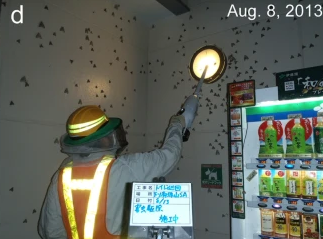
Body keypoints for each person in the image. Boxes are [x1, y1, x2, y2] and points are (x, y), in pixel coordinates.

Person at [38, 96, 198, 239]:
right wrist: (177, 124)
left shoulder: (61, 178)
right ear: (104, 138)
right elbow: (169, 155)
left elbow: (49, 231)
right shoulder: (125, 168)